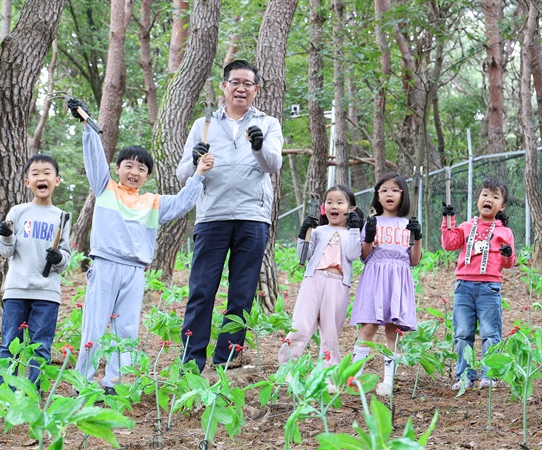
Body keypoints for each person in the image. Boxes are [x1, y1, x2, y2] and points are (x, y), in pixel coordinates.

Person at [68, 99, 214, 394]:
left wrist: (199, 173)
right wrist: (87, 125)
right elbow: (95, 159)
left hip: (135, 272)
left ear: (148, 176)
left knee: (126, 331)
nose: (134, 172)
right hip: (105, 266)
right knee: (93, 328)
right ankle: (81, 383)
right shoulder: (105, 189)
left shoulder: (153, 202)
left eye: (141, 168)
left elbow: (185, 202)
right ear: (118, 168)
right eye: (128, 166)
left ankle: (114, 384)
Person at [176, 59, 284, 372]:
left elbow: (273, 164)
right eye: (234, 82)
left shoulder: (268, 122)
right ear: (224, 86)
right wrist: (195, 161)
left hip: (253, 216)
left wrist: (259, 146)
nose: (241, 88)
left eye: (247, 83)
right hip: (212, 215)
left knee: (242, 291)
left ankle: (226, 360)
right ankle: (191, 362)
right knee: (201, 290)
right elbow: (183, 172)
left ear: (256, 89)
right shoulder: (204, 124)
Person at [0, 154, 71, 389]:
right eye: (35, 174)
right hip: (17, 290)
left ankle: (33, 394)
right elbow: (4, 251)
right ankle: (5, 393)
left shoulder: (62, 217)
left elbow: (66, 257)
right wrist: (6, 236)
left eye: (47, 173)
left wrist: (59, 259)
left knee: (41, 347)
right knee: (10, 344)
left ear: (57, 180)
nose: (42, 177)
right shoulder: (17, 212)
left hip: (47, 294)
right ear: (27, 182)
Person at [350, 172, 423, 396]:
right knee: (368, 327)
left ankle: (388, 381)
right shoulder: (372, 222)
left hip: (398, 279)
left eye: (394, 190)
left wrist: (418, 238)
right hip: (375, 278)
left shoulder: (407, 224)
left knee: (393, 330)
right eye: (384, 190)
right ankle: (355, 377)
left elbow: (414, 260)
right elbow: (364, 255)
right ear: (377, 196)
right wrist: (369, 238)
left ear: (403, 195)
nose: (389, 194)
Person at [278, 185, 362, 376]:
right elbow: (304, 255)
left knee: (330, 332)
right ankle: (286, 369)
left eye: (340, 203)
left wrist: (356, 229)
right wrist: (303, 234)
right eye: (330, 202)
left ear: (350, 209)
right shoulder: (318, 230)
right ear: (324, 207)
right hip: (313, 280)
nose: (334, 206)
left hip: (338, 284)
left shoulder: (351, 234)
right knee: (300, 325)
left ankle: (328, 374)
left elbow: (352, 254)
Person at [441, 178, 516, 391]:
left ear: (501, 206)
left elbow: (508, 263)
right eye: (485, 195)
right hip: (464, 286)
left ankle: (489, 373)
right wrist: (448, 220)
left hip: (489, 289)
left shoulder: (504, 232)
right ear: (478, 200)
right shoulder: (466, 227)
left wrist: (508, 255)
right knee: (463, 332)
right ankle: (465, 375)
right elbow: (449, 244)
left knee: (490, 332)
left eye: (495, 197)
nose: (488, 199)